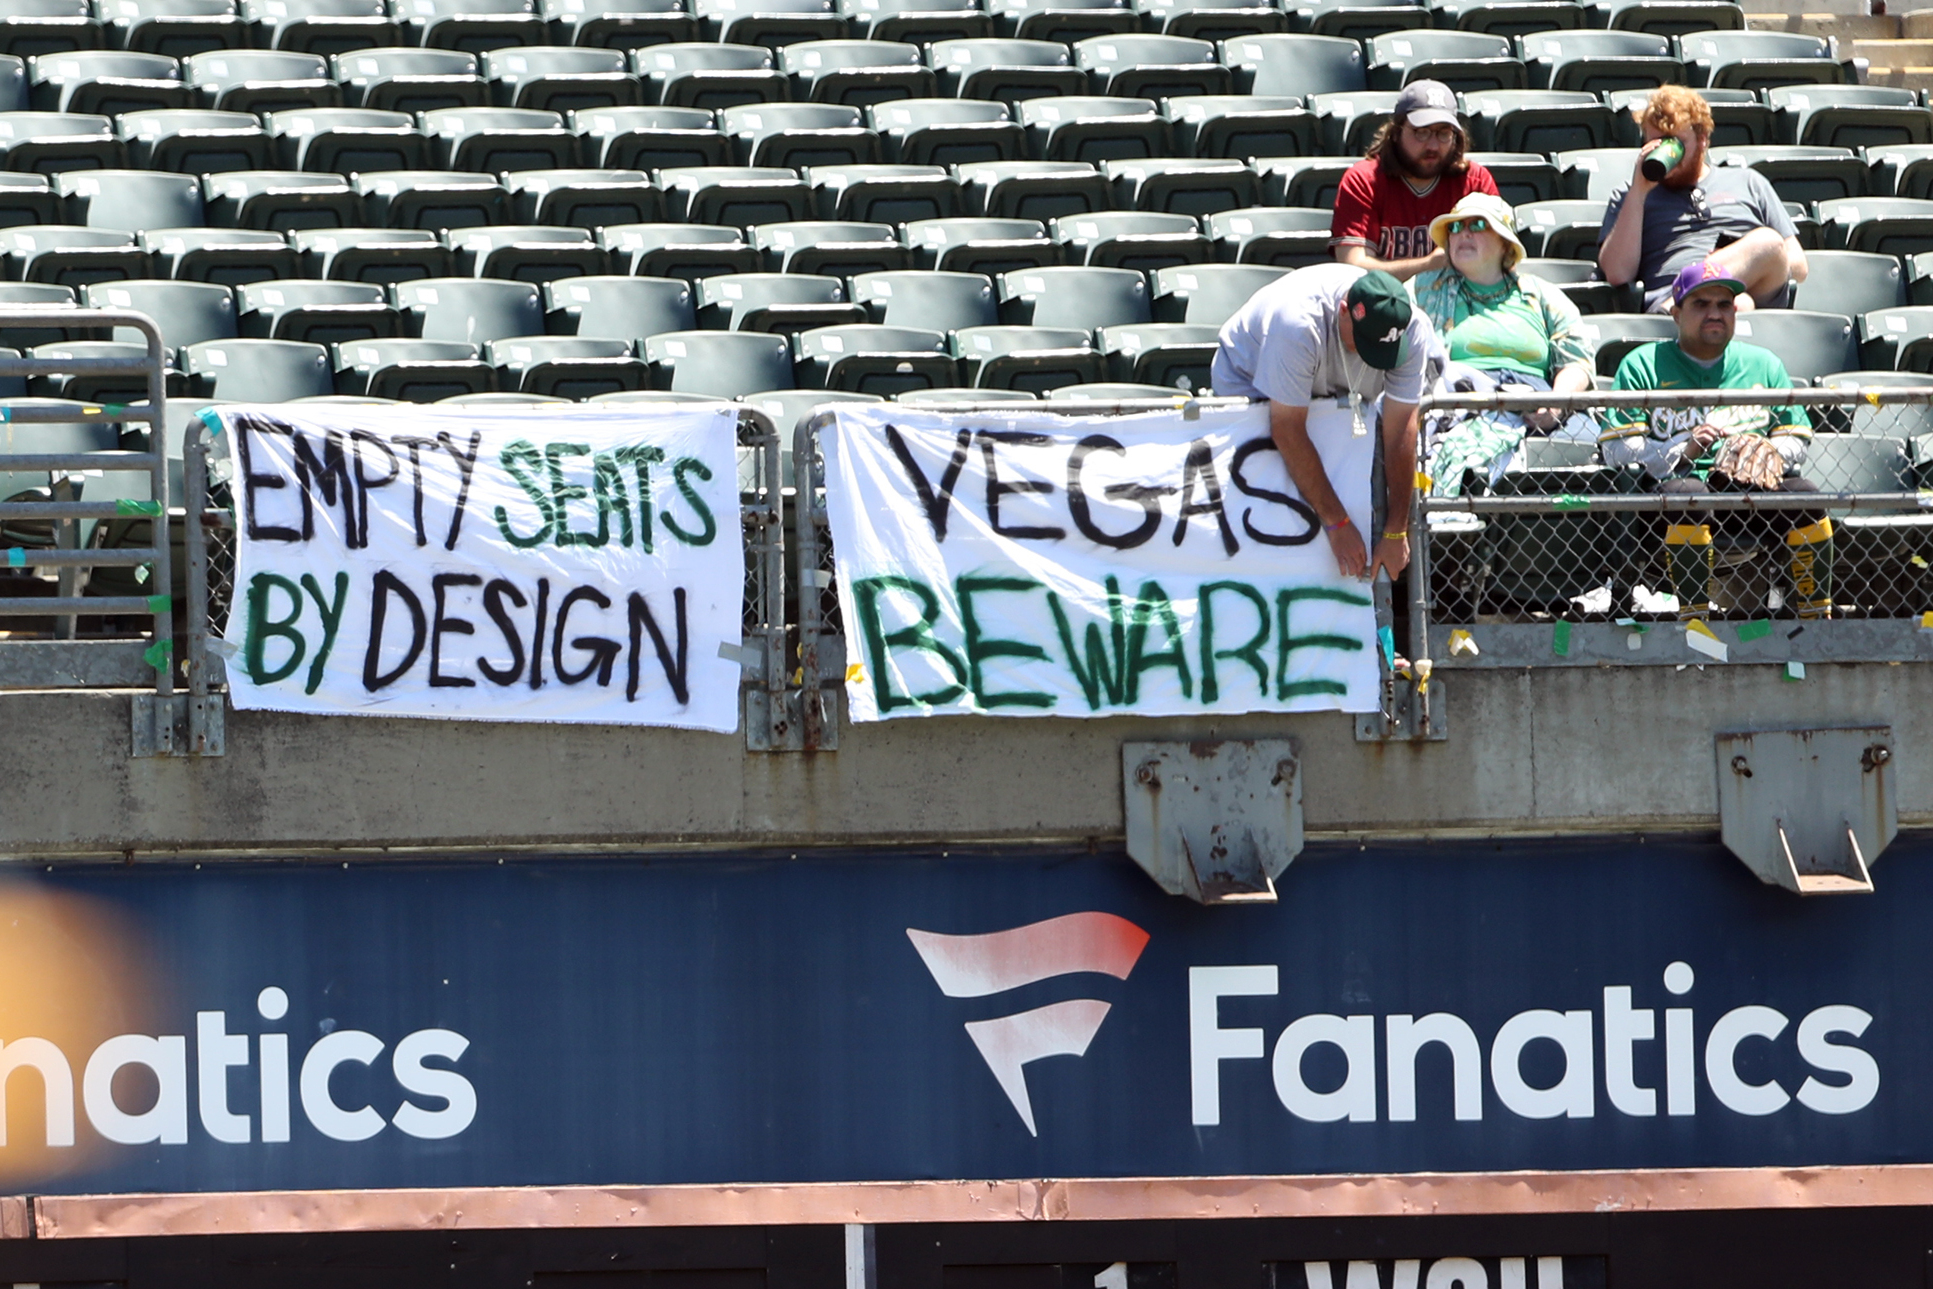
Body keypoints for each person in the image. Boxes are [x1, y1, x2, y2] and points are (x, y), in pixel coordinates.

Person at [1600, 260, 1831, 619]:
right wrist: (1681, 450)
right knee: (1687, 491)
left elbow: (1797, 436)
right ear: (1676, 313)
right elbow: (1616, 451)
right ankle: (1695, 619)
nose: (1715, 313)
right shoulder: (1642, 364)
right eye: (1701, 304)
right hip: (1669, 503)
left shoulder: (1764, 364)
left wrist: (1772, 451)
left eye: (1724, 305)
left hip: (1751, 495)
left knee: (1806, 494)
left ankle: (1817, 616)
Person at [1212, 262, 1436, 582]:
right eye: (1364, 341)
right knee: (1270, 490)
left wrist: (1395, 531)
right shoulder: (1297, 323)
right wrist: (1338, 523)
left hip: (1330, 386)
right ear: (1344, 310)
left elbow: (1402, 427)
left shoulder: (1412, 329)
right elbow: (1287, 429)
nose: (1368, 355)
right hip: (1250, 377)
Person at [1409, 192, 1597, 495]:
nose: (1463, 233)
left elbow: (1577, 361)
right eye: (1455, 228)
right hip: (1457, 402)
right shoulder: (1422, 289)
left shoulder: (1542, 295)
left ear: (1504, 242)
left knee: (1593, 444)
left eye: (1477, 225)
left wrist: (1556, 403)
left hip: (1536, 402)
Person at [1597, 85, 1808, 313]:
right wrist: (1639, 191)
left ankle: (1684, 303)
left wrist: (1730, 263)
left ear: (1703, 139)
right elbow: (1617, 274)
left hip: (1751, 295)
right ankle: (1680, 306)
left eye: (1677, 143)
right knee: (1739, 306)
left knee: (1768, 243)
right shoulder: (1630, 194)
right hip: (1677, 298)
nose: (1669, 155)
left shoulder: (1749, 182)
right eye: (1657, 143)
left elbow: (1799, 266)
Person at [1330, 80, 1500, 282]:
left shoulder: (1475, 181)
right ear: (1396, 132)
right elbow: (1353, 269)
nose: (1433, 145)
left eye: (1444, 133)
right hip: (1385, 306)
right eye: (1422, 132)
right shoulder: (1364, 181)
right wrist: (1428, 266)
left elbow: (1503, 259)